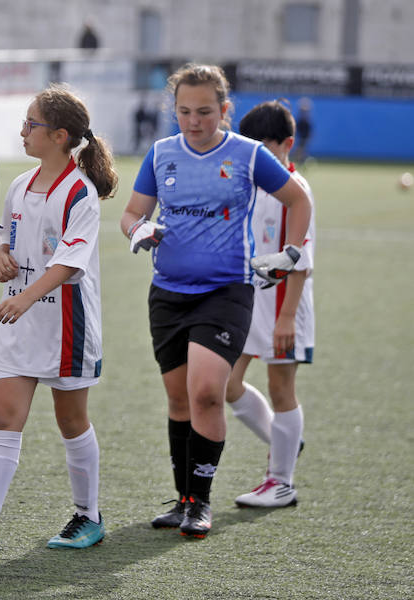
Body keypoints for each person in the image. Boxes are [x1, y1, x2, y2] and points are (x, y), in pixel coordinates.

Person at [120, 63, 312, 539]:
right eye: (184, 111)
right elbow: (130, 213)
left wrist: (289, 254)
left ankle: (201, 504)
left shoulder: (247, 155)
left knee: (207, 391)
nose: (193, 121)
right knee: (179, 400)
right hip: (167, 294)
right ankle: (183, 499)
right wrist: (140, 229)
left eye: (205, 111)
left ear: (224, 110)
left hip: (226, 292)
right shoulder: (161, 153)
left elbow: (298, 200)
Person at [0, 84, 117, 553]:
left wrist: (26, 298)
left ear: (59, 136)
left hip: (66, 325)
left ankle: (88, 514)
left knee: (71, 420)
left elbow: (69, 263)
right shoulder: (20, 185)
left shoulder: (81, 192)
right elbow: (5, 240)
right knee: (4, 417)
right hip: (20, 320)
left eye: (30, 124)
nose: (22, 132)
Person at [226, 100, 315, 508]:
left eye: (266, 147)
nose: (258, 157)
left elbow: (301, 263)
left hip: (283, 306)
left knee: (282, 389)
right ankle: (286, 440)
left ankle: (281, 482)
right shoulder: (252, 183)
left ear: (288, 144)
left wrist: (287, 318)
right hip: (248, 304)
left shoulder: (297, 192)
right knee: (226, 384)